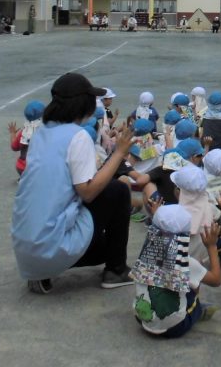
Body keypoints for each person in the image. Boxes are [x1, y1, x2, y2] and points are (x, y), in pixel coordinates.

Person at [11, 72, 134, 294]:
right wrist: (119, 154)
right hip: (52, 248)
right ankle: (116, 270)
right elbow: (87, 192)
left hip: (26, 249)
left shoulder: (41, 133)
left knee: (66, 199)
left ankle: (41, 272)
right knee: (117, 190)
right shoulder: (78, 136)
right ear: (82, 104)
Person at [131, 204, 221, 337]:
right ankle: (196, 310)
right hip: (174, 328)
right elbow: (216, 280)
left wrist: (159, 215)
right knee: (193, 284)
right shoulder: (186, 261)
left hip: (142, 318)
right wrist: (212, 246)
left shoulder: (147, 251)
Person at [8, 100, 45, 176]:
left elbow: (14, 147)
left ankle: (24, 179)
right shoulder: (45, 132)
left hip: (21, 167)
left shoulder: (24, 132)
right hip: (37, 167)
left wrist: (13, 133)